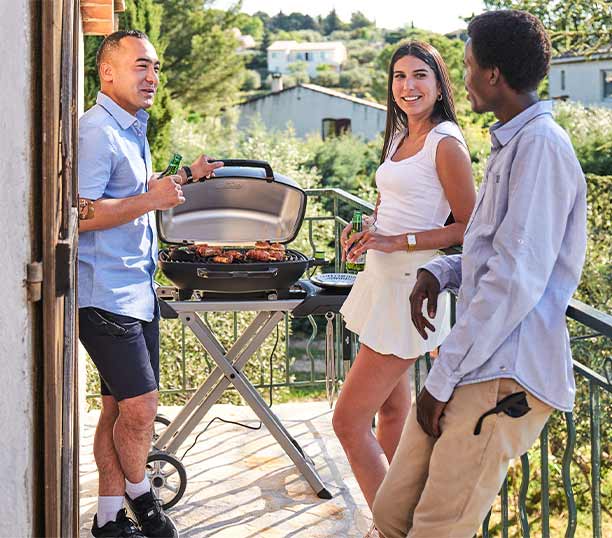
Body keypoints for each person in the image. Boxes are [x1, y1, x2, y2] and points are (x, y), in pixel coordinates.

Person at [372, 10, 587, 538]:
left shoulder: (541, 148)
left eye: (466, 66)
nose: (462, 78)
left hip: (505, 375)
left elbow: (514, 281)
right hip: (475, 361)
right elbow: (494, 250)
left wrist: (439, 381)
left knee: (436, 528)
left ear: (492, 75)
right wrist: (442, 272)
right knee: (390, 515)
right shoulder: (512, 142)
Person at [78, 30, 223, 538]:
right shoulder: (96, 130)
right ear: (108, 72)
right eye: (141, 66)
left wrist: (183, 180)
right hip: (103, 294)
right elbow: (79, 213)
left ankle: (109, 519)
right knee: (141, 410)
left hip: (136, 290)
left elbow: (134, 194)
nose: (153, 77)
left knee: (119, 409)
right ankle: (144, 499)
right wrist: (155, 199)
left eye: (156, 67)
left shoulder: (130, 128)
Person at [334, 41, 476, 536]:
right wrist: (368, 231)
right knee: (391, 410)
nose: (408, 86)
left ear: (439, 85)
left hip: (411, 294)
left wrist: (399, 240)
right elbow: (390, 205)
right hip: (381, 281)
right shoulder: (399, 135)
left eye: (419, 75)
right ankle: (405, 517)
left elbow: (469, 226)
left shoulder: (446, 143)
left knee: (346, 423)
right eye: (399, 77)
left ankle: (392, 528)